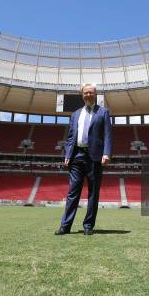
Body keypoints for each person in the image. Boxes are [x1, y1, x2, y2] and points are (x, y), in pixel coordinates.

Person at [55, 83, 112, 236]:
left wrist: (106, 153)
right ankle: (65, 226)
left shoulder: (104, 112)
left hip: (95, 157)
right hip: (77, 156)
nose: (88, 95)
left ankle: (88, 225)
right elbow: (71, 137)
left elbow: (107, 134)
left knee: (93, 193)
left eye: (91, 93)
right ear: (82, 95)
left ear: (96, 94)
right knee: (72, 192)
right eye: (85, 93)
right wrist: (67, 155)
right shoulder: (75, 114)